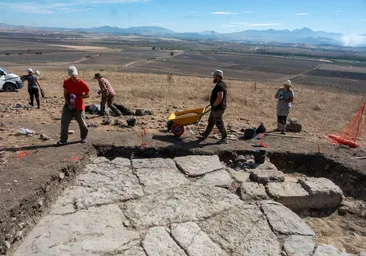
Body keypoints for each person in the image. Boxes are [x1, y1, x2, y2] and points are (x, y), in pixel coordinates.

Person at [57, 66, 90, 145]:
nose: (74, 78)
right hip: (68, 107)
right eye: (72, 76)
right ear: (69, 75)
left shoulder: (82, 83)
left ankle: (84, 137)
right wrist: (68, 102)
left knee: (82, 123)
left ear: (77, 74)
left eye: (75, 76)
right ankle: (63, 140)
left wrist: (78, 96)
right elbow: (65, 93)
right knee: (64, 122)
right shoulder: (66, 82)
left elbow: (87, 95)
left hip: (78, 107)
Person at [199, 69, 228, 144]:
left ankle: (224, 138)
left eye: (214, 76)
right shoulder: (222, 84)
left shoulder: (219, 86)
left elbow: (220, 97)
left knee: (218, 123)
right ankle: (205, 135)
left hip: (218, 108)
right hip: (216, 107)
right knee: (211, 121)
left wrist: (214, 105)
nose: (213, 77)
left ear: (218, 76)